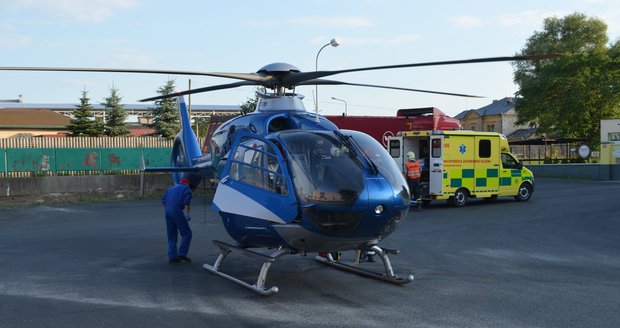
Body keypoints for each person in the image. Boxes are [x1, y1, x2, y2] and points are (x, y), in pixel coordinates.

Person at [162, 178, 193, 264]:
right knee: (187, 233)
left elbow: (163, 200)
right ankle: (182, 254)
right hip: (176, 210)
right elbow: (186, 202)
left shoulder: (170, 189)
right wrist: (187, 214)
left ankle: (172, 257)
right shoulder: (187, 189)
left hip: (167, 211)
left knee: (171, 235)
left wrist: (169, 209)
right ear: (187, 184)